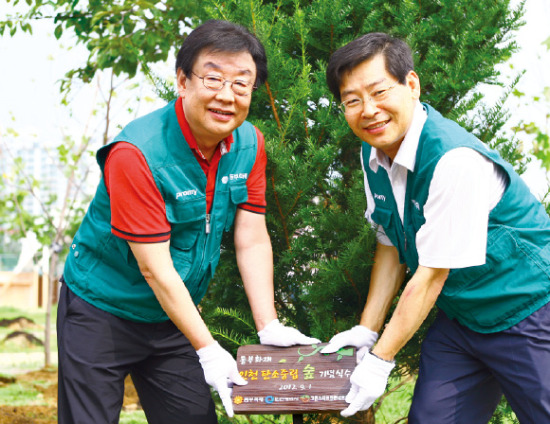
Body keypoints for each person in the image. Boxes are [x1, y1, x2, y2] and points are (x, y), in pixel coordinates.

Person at [57, 19, 319, 424]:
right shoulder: (137, 153)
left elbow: (250, 237)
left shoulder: (249, 144)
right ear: (182, 81)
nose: (226, 96)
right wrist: (209, 349)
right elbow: (155, 267)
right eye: (213, 79)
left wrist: (268, 325)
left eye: (241, 83)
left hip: (172, 316)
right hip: (101, 309)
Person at [321, 32, 550, 423]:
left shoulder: (453, 161)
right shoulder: (373, 154)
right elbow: (390, 245)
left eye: (379, 92)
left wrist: (379, 362)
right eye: (352, 101)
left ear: (411, 85)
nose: (369, 110)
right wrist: (367, 330)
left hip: (528, 310)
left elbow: (428, 277)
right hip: (461, 320)